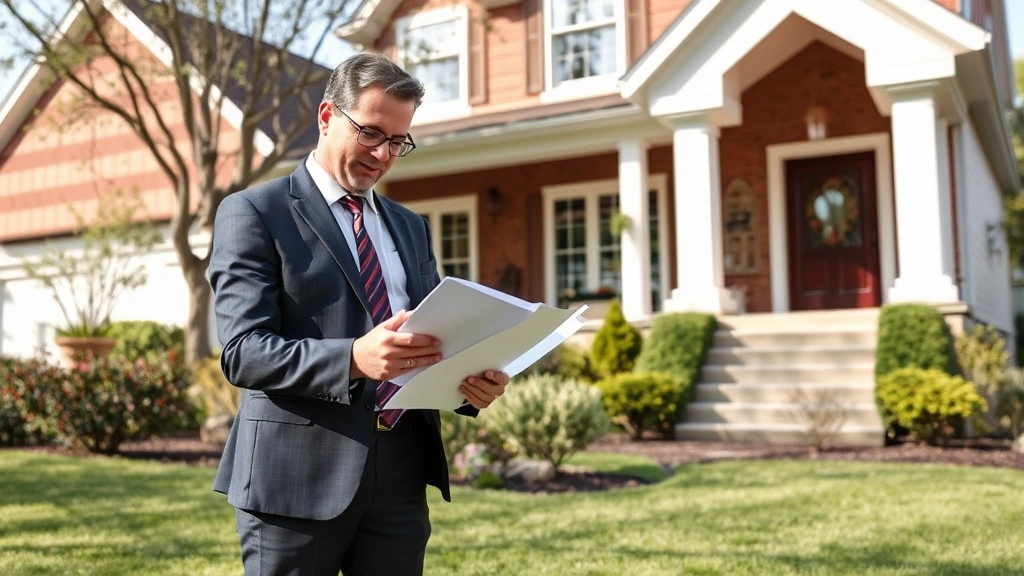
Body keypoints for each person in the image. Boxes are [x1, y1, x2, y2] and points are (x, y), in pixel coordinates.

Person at [208, 52, 509, 575]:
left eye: (398, 142)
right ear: (327, 116)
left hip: (400, 472)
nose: (384, 154)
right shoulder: (255, 212)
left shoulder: (410, 226)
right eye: (371, 133)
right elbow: (243, 353)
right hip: (295, 480)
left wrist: (469, 381)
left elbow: (431, 335)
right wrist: (353, 358)